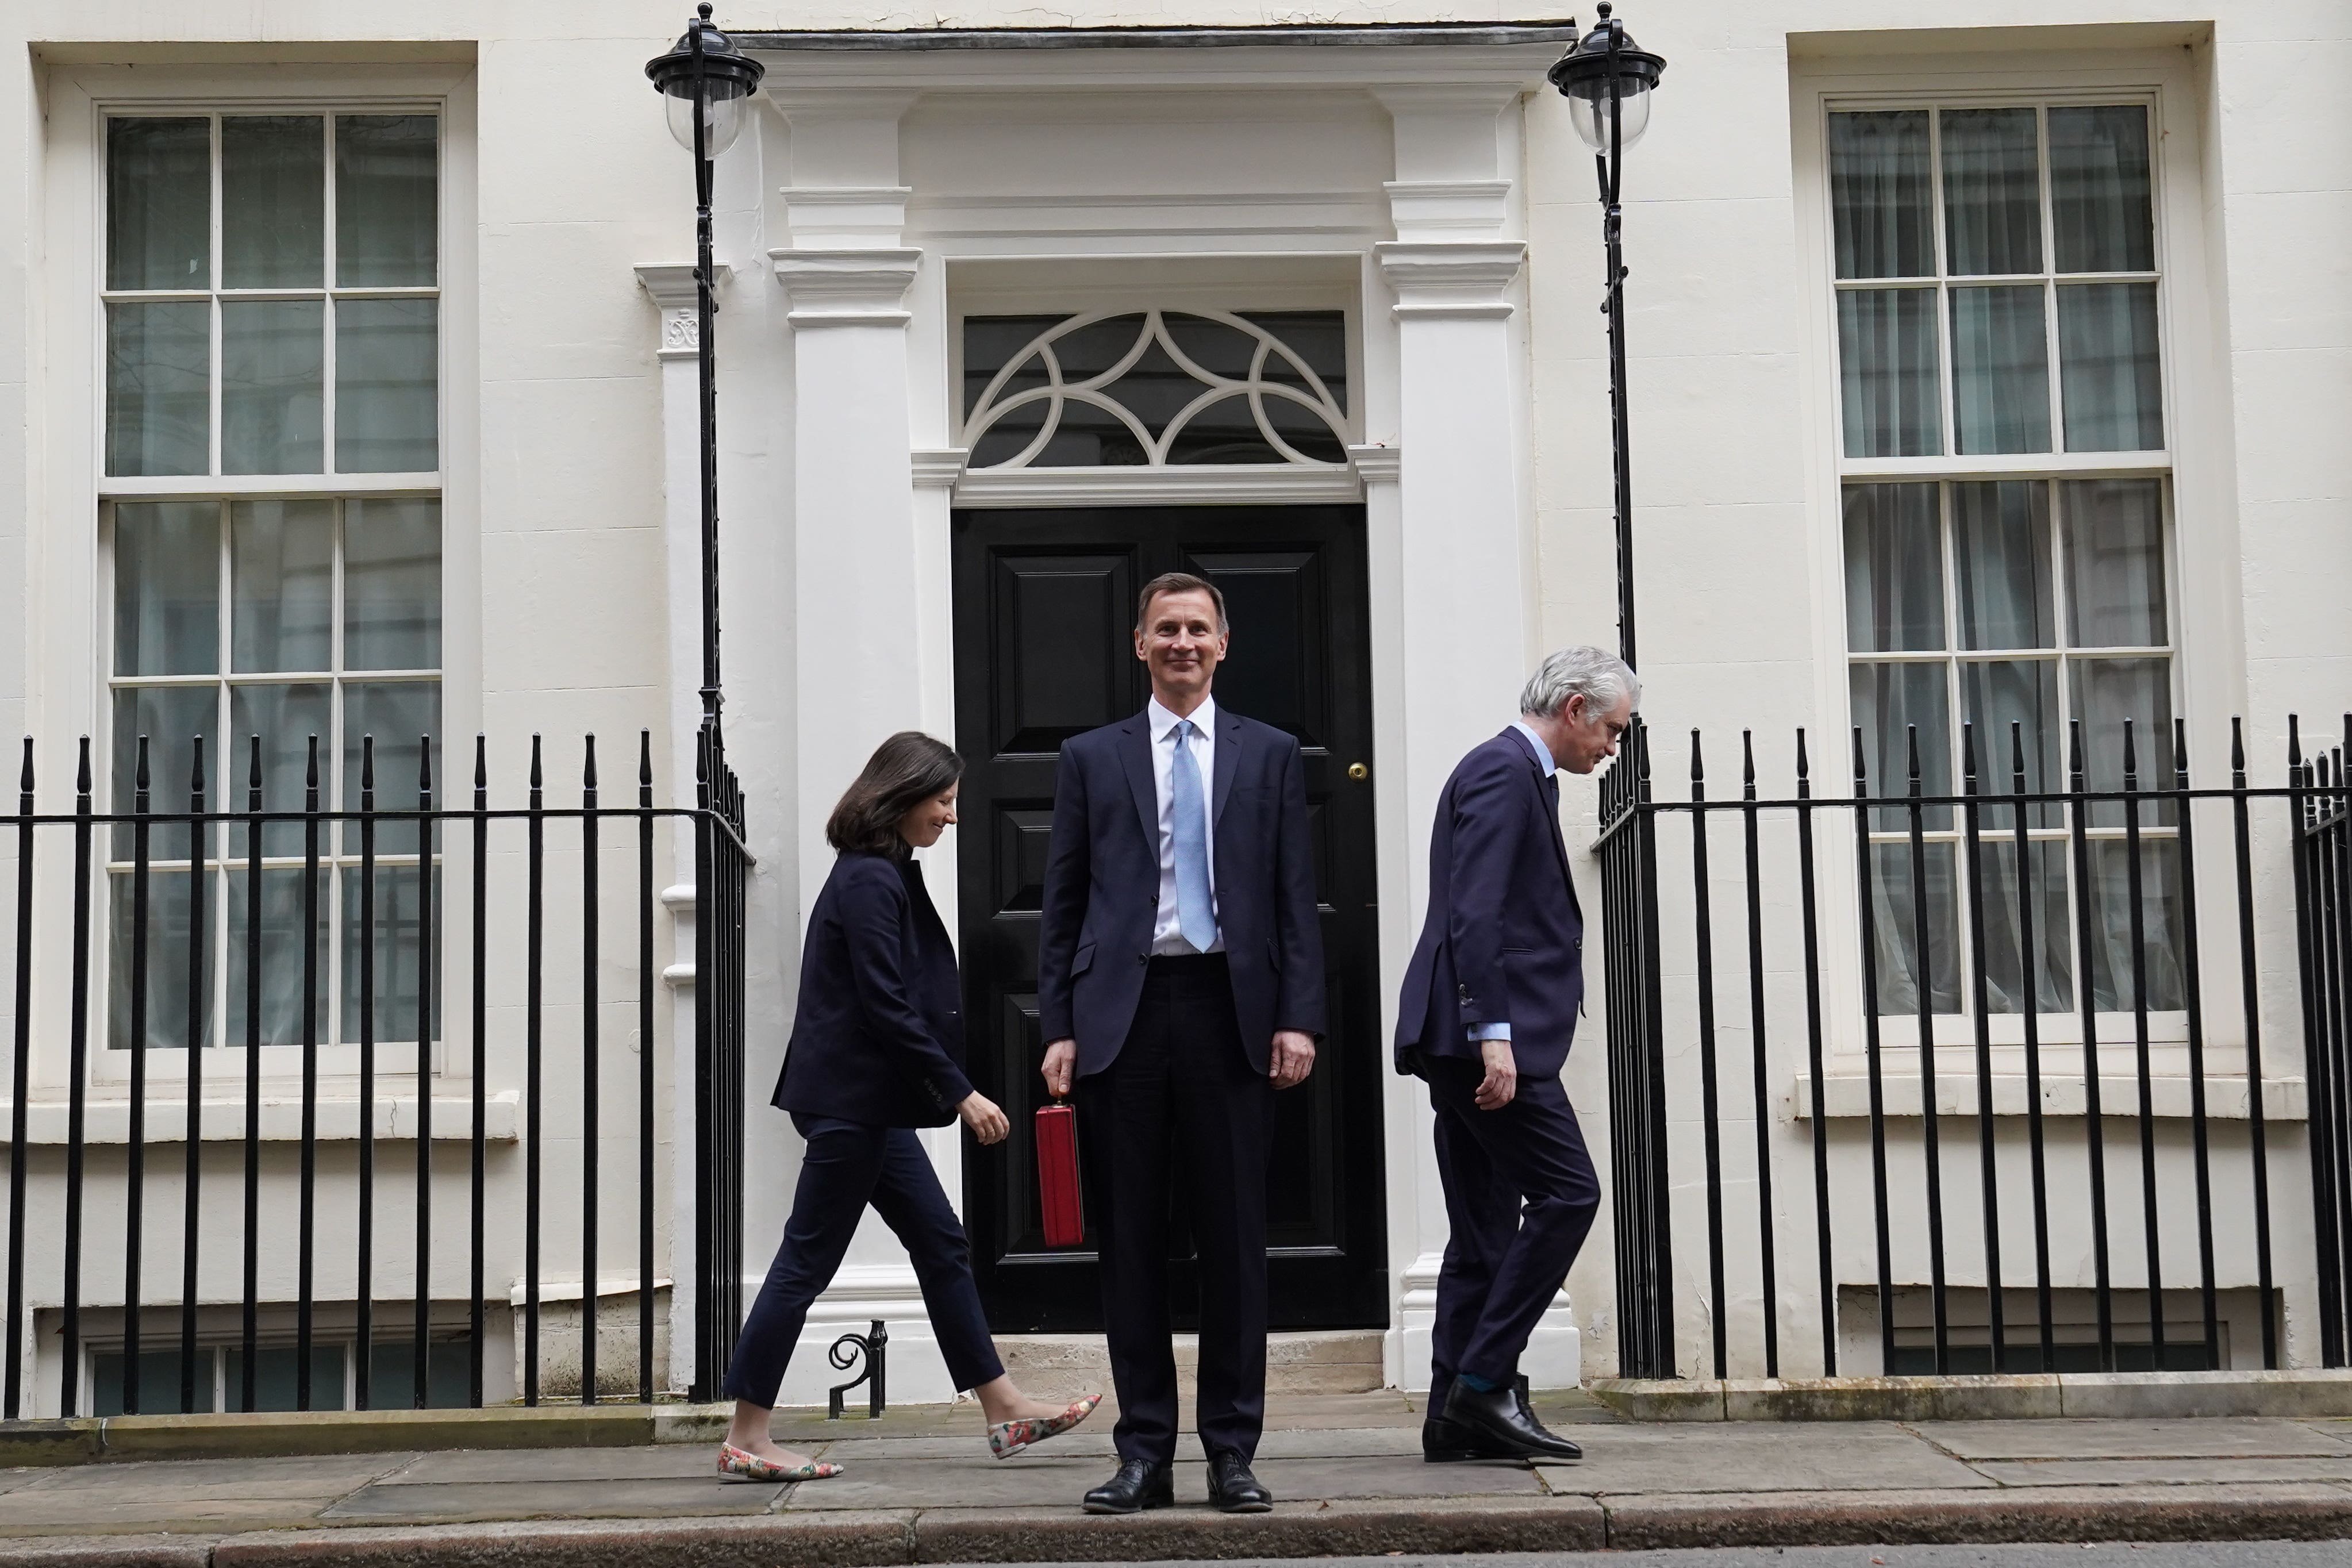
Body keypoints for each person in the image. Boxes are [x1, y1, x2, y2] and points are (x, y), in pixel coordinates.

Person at [718, 731, 1099, 1482]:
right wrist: (961, 1093)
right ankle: (747, 1437)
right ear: (903, 797)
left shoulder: (883, 873)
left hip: (870, 1106)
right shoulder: (868, 880)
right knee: (805, 1262)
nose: (952, 817)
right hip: (851, 1106)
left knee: (941, 1242)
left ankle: (1002, 1409)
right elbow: (884, 1004)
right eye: (945, 800)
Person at [1036, 572, 1324, 1515]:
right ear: (1139, 643)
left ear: (1224, 643)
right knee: (1129, 1245)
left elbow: (1294, 897)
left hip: (1232, 1010)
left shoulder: (1271, 752)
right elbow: (1063, 903)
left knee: (1236, 1241)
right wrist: (1061, 1025)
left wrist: (1298, 1014)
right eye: (1167, 629)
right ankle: (1144, 1453)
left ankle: (1232, 1451)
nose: (1183, 644)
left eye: (1199, 629)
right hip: (1124, 1012)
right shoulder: (1090, 756)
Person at [1394, 647, 1636, 1464]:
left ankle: (1450, 1419)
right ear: (1573, 708)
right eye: (1611, 729)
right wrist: (1491, 1034)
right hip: (1483, 1045)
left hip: (1467, 1042)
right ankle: (1486, 1382)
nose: (1612, 748)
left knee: (1483, 1236)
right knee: (1570, 1195)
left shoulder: (1516, 772)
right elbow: (1477, 915)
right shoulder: (1503, 770)